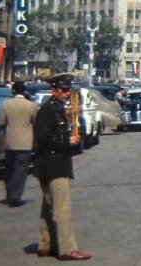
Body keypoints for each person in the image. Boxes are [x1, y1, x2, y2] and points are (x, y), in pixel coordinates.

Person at [33, 73, 91, 261]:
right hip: (53, 165)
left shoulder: (58, 109)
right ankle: (68, 248)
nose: (67, 94)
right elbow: (42, 137)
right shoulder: (48, 110)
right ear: (54, 90)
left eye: (68, 90)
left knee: (48, 207)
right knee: (62, 209)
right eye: (64, 90)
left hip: (53, 164)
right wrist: (68, 140)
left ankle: (45, 244)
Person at [0, 81, 38, 207]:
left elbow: (1, 123)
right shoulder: (31, 106)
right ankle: (15, 197)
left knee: (9, 170)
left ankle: (10, 194)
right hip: (25, 143)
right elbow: (36, 122)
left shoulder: (6, 105)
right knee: (20, 171)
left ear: (13, 91)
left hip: (10, 142)